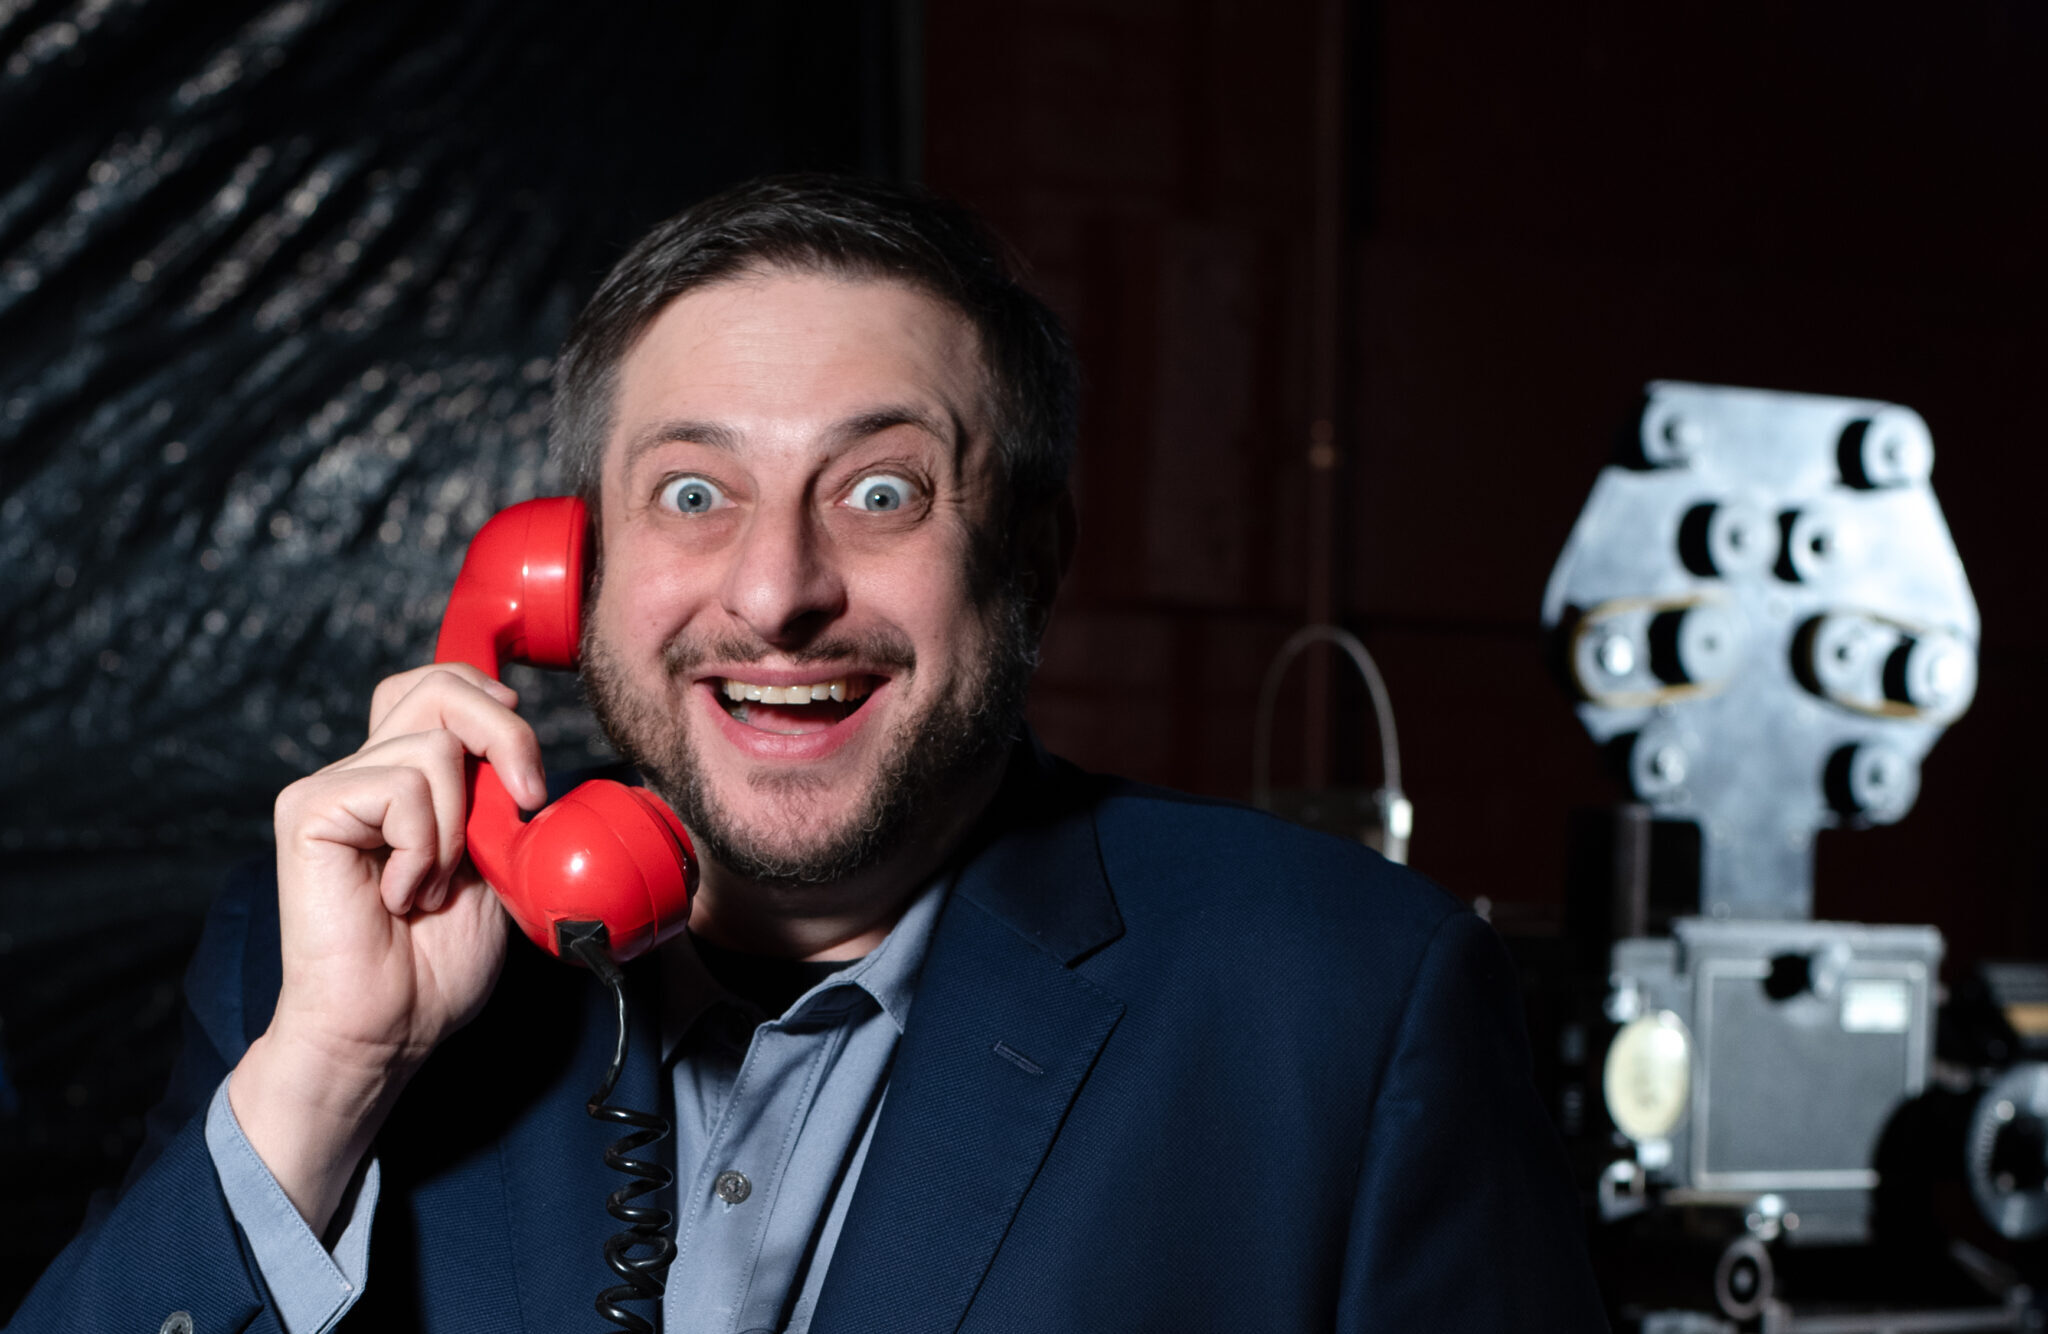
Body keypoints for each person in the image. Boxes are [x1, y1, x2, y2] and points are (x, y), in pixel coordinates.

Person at [8, 175, 1607, 1333]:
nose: (777, 590)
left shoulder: (1343, 1005)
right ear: (563, 578)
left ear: (1031, 558)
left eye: (884, 491)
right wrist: (326, 1083)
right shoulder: (309, 980)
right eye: (692, 496)